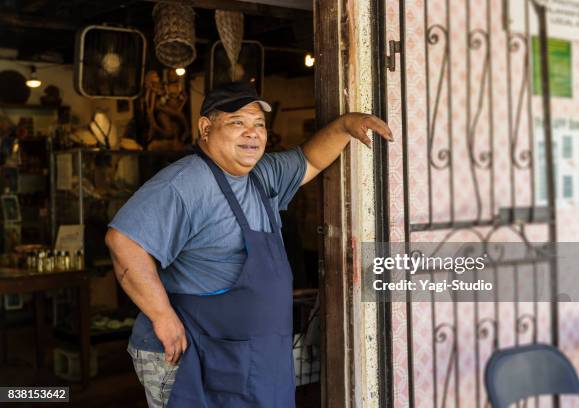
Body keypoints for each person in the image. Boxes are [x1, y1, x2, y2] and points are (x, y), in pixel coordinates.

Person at [105, 81, 393, 407]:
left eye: (258, 124)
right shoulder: (185, 183)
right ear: (205, 128)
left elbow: (311, 160)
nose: (252, 133)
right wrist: (162, 315)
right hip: (191, 354)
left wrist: (345, 125)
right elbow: (124, 241)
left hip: (248, 357)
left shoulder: (261, 175)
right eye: (237, 123)